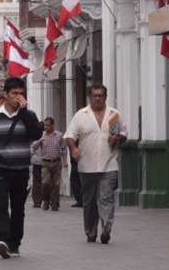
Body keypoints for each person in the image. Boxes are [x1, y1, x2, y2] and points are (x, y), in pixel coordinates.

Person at [0, 77, 43, 258]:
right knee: (2, 205)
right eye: (15, 93)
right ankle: (2, 241)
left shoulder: (29, 115)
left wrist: (24, 111)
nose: (18, 97)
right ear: (5, 94)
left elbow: (37, 134)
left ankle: (15, 243)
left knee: (18, 208)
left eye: (21, 93)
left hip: (21, 169)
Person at [65, 84, 128, 245]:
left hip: (109, 163)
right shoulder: (81, 115)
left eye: (101, 95)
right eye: (95, 96)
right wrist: (74, 149)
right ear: (90, 97)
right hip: (87, 165)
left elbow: (123, 134)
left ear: (105, 97)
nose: (98, 98)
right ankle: (91, 231)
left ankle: (106, 229)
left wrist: (117, 138)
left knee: (107, 198)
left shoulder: (114, 115)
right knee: (89, 201)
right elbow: (70, 135)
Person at [31, 117, 68, 211]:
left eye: (47, 125)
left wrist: (65, 161)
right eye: (44, 125)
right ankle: (46, 200)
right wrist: (31, 155)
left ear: (52, 125)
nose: (45, 127)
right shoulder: (42, 135)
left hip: (56, 162)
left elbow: (64, 148)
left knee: (56, 184)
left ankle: (55, 203)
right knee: (45, 183)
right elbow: (33, 146)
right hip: (45, 163)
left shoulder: (59, 135)